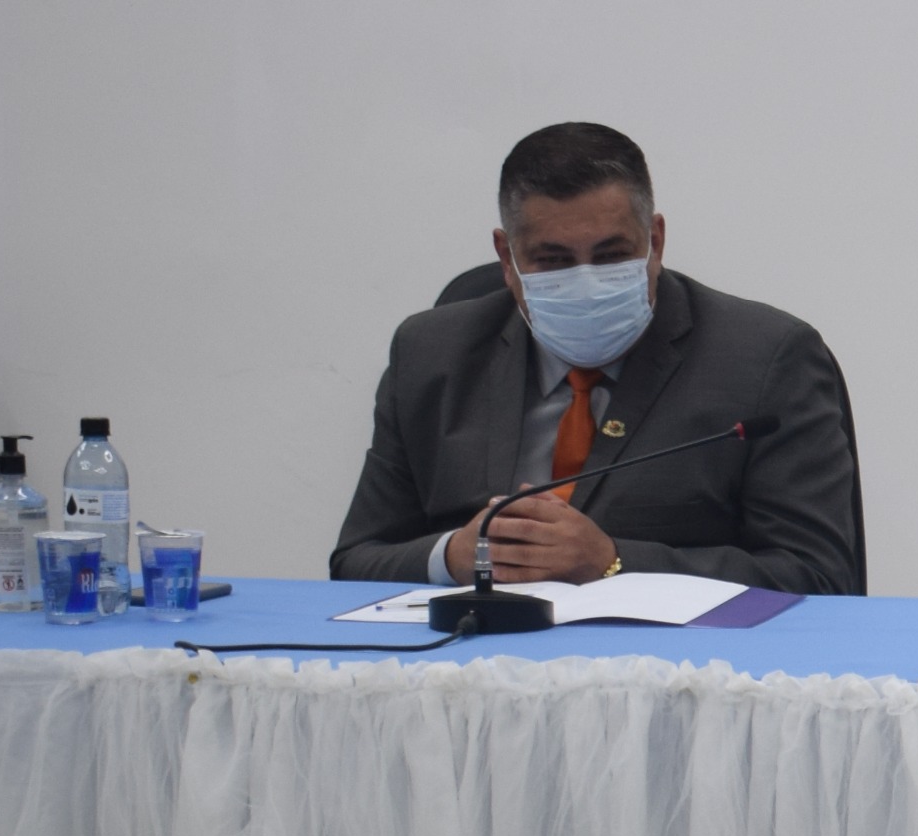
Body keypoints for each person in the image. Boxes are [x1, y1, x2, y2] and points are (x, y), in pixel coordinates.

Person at [327, 121, 862, 594]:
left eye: (610, 256)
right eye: (553, 261)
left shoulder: (764, 359)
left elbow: (817, 577)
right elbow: (355, 561)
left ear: (655, 239)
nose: (585, 281)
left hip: (677, 679)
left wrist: (615, 563)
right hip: (474, 673)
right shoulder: (431, 354)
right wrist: (452, 557)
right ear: (506, 259)